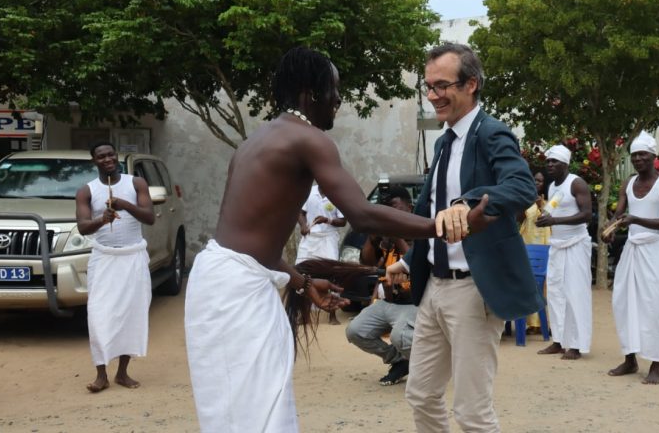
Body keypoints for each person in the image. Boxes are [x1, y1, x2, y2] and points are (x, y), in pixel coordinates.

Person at [183, 46, 484, 433]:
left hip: (223, 279)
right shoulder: (308, 139)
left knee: (238, 408)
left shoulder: (255, 141)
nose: (339, 100)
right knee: (252, 412)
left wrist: (302, 282)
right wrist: (439, 225)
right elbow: (361, 213)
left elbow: (253, 241)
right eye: (335, 90)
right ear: (312, 93)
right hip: (236, 288)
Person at [386, 43, 542, 432]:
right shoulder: (444, 142)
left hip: (473, 290)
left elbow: (521, 185)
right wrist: (408, 260)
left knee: (472, 412)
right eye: (429, 86)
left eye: (442, 85)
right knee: (420, 394)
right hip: (434, 288)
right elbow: (429, 210)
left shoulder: (491, 133)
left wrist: (468, 202)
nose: (433, 95)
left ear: (471, 84)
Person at [75, 141, 155, 393]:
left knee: (131, 314)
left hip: (133, 258)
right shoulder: (86, 190)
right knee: (99, 314)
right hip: (104, 259)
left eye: (111, 154)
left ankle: (122, 373)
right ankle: (101, 375)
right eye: (101, 156)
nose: (107, 159)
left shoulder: (136, 184)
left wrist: (126, 205)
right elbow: (83, 227)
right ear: (94, 161)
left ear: (116, 157)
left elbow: (150, 217)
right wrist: (102, 219)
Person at [604, 131, 659, 385]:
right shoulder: (628, 183)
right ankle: (630, 359)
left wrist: (636, 220)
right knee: (623, 303)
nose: (637, 159)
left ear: (653, 156)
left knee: (654, 305)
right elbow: (619, 214)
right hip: (632, 250)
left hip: (655, 249)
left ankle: (656, 364)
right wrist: (609, 230)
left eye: (642, 155)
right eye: (634, 155)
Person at [345, 185, 416, 386]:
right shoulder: (385, 232)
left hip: (414, 303)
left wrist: (396, 237)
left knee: (400, 336)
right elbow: (367, 263)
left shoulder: (420, 230)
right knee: (355, 331)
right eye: (386, 208)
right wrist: (372, 239)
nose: (390, 213)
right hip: (389, 303)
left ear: (410, 207)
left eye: (394, 206)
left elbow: (414, 262)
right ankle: (400, 360)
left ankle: (427, 365)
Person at [535, 145, 593, 360]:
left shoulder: (576, 183)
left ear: (566, 164)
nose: (550, 165)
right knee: (556, 294)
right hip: (557, 245)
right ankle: (558, 341)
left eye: (555, 161)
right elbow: (552, 211)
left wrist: (554, 220)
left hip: (576, 244)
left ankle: (576, 346)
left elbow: (587, 215)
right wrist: (544, 219)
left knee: (575, 294)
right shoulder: (551, 186)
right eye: (548, 161)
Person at [296, 184, 347, 324]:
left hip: (328, 238)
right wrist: (303, 226)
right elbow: (300, 212)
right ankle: (303, 314)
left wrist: (327, 220)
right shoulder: (309, 191)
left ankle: (332, 314)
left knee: (332, 274)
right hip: (310, 238)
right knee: (302, 273)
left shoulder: (337, 193)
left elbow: (343, 221)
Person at [518, 170, 552, 334]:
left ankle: (543, 324)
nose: (536, 183)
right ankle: (530, 324)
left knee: (543, 284)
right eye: (534, 180)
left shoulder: (552, 199)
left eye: (540, 181)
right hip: (526, 242)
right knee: (527, 283)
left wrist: (541, 206)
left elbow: (552, 218)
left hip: (544, 244)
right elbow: (518, 218)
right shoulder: (525, 198)